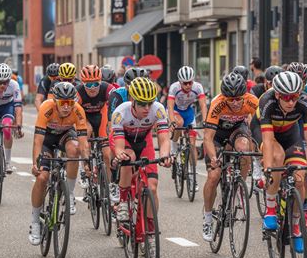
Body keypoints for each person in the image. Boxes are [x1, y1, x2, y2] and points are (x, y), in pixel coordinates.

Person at [251, 71, 307, 253]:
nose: (291, 102)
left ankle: (296, 226)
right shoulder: (267, 100)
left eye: (294, 97)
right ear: (278, 94)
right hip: (265, 131)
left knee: (300, 177)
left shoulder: (305, 101)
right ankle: (271, 209)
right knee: (277, 158)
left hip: (290, 134)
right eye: (287, 97)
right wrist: (268, 168)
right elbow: (267, 136)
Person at [29, 82, 90, 245]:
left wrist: (87, 166)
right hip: (47, 139)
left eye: (70, 103)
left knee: (74, 150)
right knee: (42, 178)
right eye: (62, 103)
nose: (66, 107)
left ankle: (69, 193)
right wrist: (35, 162)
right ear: (55, 100)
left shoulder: (78, 110)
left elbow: (84, 142)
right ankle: (35, 222)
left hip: (65, 135)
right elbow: (38, 140)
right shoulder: (46, 107)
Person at [202, 72, 258, 241]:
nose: (234, 102)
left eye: (238, 98)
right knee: (213, 176)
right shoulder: (217, 104)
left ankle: (238, 186)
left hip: (237, 130)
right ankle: (207, 218)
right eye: (230, 99)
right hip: (218, 135)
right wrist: (213, 158)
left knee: (244, 148)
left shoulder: (252, 101)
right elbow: (208, 138)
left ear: (245, 95)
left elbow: (261, 127)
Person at [110, 77, 171, 226]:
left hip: (144, 140)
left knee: (152, 186)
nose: (147, 108)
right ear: (132, 100)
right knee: (128, 157)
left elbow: (164, 139)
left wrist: (165, 155)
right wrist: (120, 153)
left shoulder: (158, 110)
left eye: (150, 103)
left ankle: (150, 230)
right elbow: (118, 146)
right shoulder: (120, 113)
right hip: (125, 140)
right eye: (143, 104)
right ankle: (123, 201)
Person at [168, 66, 208, 191]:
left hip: (189, 113)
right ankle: (174, 146)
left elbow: (203, 105)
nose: (188, 85)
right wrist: (172, 121)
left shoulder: (198, 87)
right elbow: (169, 106)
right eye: (185, 83)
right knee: (179, 124)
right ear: (180, 82)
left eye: (190, 82)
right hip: (176, 111)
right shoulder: (174, 88)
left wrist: (206, 121)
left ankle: (192, 174)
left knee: (192, 145)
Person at [76, 65, 113, 190]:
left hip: (101, 116)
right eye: (88, 85)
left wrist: (111, 123)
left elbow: (116, 104)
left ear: (100, 81)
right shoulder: (78, 92)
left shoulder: (107, 88)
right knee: (86, 134)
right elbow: (73, 112)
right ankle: (84, 169)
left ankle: (110, 185)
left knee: (107, 154)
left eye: (95, 84)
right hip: (85, 118)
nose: (92, 88)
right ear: (83, 83)